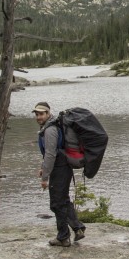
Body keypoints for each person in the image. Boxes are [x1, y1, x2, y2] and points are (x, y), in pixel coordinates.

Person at [34, 101, 86, 247]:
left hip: (60, 168)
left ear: (48, 113)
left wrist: (45, 178)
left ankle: (63, 237)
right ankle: (78, 228)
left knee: (56, 204)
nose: (38, 116)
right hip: (63, 166)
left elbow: (51, 154)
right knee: (63, 200)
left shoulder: (50, 130)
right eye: (37, 114)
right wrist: (43, 168)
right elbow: (50, 154)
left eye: (41, 113)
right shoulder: (50, 126)